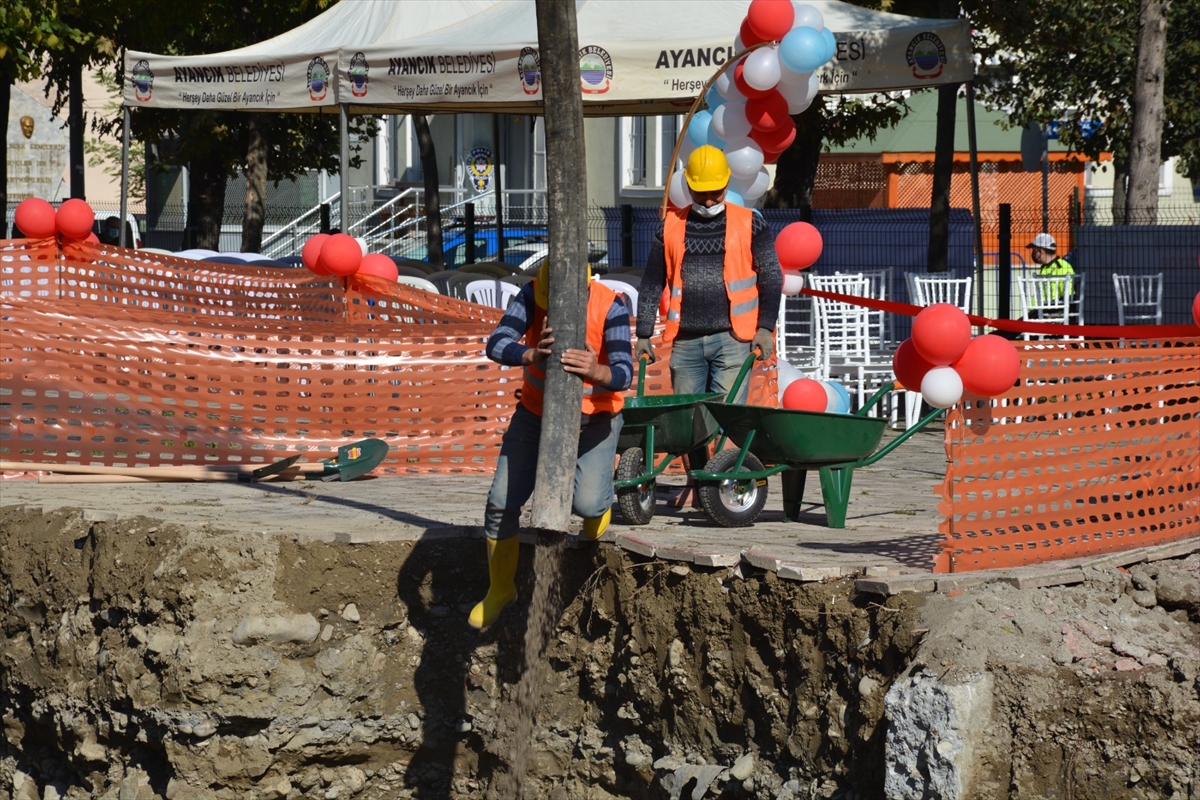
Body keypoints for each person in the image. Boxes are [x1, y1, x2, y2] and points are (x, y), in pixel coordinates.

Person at [469, 261, 633, 629]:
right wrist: (528, 354)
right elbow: (496, 343)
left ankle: (598, 507)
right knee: (500, 502)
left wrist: (596, 370)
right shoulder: (531, 294)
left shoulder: (611, 305)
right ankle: (501, 589)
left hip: (596, 417)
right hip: (535, 413)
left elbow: (625, 371)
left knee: (587, 504)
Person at [635, 144, 782, 503]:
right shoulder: (671, 226)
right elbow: (653, 281)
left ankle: (722, 487)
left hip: (734, 337)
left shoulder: (750, 222)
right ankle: (698, 486)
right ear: (689, 186)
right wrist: (643, 333)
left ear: (726, 183)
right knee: (690, 422)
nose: (710, 198)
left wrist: (765, 327)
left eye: (715, 191)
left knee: (725, 418)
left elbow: (771, 276)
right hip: (685, 340)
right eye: (702, 192)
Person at [1026, 232, 1075, 306]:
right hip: (1040, 311)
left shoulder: (1062, 267)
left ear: (1040, 251)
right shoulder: (1045, 267)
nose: (1033, 253)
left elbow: (1069, 296)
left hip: (1055, 311)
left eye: (1034, 250)